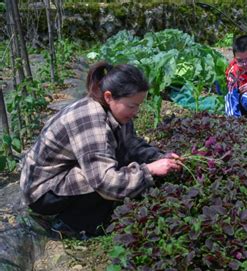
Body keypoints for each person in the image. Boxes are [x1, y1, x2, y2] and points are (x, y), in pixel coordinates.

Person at [20, 62, 182, 238]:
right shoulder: (91, 119)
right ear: (109, 97)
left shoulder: (115, 112)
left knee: (119, 161)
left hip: (62, 176)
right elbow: (104, 181)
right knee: (106, 176)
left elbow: (131, 144)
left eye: (138, 105)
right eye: (131, 105)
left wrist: (158, 157)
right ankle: (69, 224)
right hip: (43, 192)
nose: (136, 112)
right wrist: (149, 170)